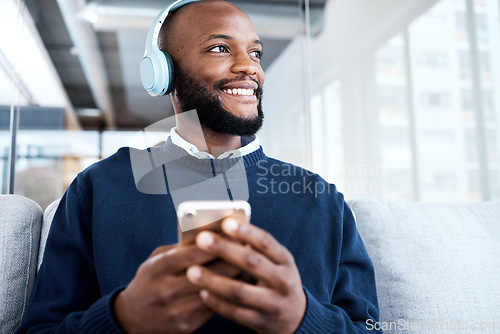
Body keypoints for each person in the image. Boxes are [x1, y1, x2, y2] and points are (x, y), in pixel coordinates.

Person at [18, 0, 381, 333]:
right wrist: (123, 317)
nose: (249, 67)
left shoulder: (320, 198)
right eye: (220, 48)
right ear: (164, 73)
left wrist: (304, 318)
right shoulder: (98, 188)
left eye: (255, 53)